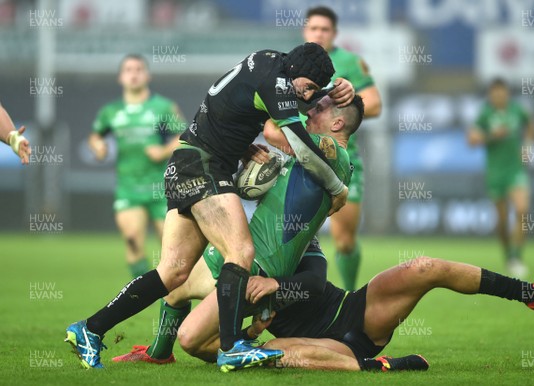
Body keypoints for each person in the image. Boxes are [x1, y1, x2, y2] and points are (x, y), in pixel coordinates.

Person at [65, 43, 356, 370]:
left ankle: (90, 329)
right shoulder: (277, 83)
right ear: (297, 74)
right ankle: (233, 347)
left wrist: (240, 145)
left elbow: (226, 105)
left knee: (173, 271)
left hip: (186, 162)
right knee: (242, 251)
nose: (308, 96)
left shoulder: (271, 63)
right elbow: (302, 147)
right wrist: (338, 188)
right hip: (204, 169)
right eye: (310, 87)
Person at [111, 95, 363, 371]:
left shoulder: (334, 152)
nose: (309, 112)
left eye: (318, 109)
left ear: (338, 123)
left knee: (191, 339)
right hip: (242, 249)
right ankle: (158, 353)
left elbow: (272, 130)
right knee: (177, 279)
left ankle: (254, 349)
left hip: (260, 268)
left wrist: (290, 94)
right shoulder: (312, 156)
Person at [187, 258, 534, 372]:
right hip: (320, 345)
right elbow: (204, 341)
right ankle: (383, 366)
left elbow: (317, 284)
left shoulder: (295, 233)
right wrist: (250, 333)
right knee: (273, 353)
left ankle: (531, 292)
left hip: (353, 311)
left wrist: (278, 287)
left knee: (425, 267)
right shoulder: (228, 264)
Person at [303, 6, 382, 290]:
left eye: (325, 29)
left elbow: (374, 104)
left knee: (344, 241)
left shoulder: (349, 62)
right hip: (302, 161)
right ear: (305, 31)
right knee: (294, 237)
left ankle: (349, 295)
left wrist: (349, 98)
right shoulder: (296, 63)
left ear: (334, 34)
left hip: (344, 163)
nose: (319, 33)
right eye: (314, 28)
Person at [89, 54, 185, 278]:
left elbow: (183, 136)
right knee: (133, 240)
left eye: (139, 69)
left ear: (147, 75)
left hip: (161, 188)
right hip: (128, 187)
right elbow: (95, 137)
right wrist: (98, 148)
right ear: (120, 77)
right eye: (128, 70)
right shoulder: (111, 111)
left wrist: (162, 151)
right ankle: (141, 291)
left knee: (172, 248)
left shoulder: (163, 107)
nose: (134, 74)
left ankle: (171, 295)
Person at [468, 78, 534, 278]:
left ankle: (516, 257)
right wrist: (491, 135)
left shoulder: (517, 110)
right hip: (495, 173)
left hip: (515, 171)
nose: (498, 96)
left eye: (502, 92)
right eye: (495, 92)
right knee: (502, 219)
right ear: (490, 94)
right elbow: (471, 139)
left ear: (507, 93)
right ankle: (508, 255)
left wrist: (528, 146)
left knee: (522, 210)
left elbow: (531, 122)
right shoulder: (485, 114)